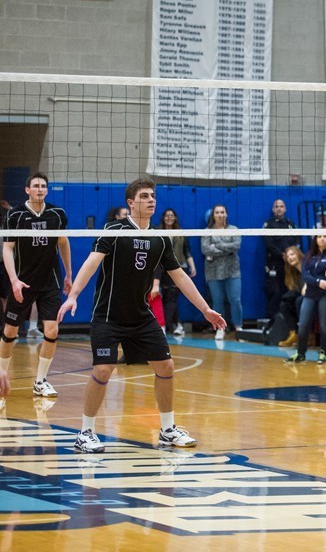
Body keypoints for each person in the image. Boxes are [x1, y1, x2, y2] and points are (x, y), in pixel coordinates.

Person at [57, 177, 226, 453]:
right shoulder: (113, 230)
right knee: (102, 369)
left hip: (141, 316)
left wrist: (205, 309)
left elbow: (180, 275)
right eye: (145, 196)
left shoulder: (160, 237)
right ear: (131, 202)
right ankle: (85, 432)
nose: (151, 201)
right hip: (108, 316)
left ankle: (167, 430)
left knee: (166, 367)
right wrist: (73, 295)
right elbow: (91, 263)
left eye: (153, 196)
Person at [1, 173, 72, 399]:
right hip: (22, 282)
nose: (40, 189)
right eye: (36, 186)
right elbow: (7, 249)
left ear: (47, 190)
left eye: (43, 186)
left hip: (50, 282)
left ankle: (40, 381)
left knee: (52, 331)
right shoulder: (15, 215)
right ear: (27, 190)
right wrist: (13, 280)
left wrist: (69, 274)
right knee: (10, 331)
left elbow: (63, 243)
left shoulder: (56, 214)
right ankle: (1, 376)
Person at [283, 235, 326, 363]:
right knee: (303, 324)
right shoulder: (309, 256)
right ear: (315, 239)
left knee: (324, 324)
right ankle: (300, 353)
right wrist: (318, 282)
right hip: (311, 294)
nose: (323, 239)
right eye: (320, 237)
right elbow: (305, 275)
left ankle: (322, 353)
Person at [201, 205, 242, 340]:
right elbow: (206, 250)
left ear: (226, 214)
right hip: (213, 272)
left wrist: (216, 246)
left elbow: (236, 246)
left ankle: (238, 328)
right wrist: (226, 250)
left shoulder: (233, 229)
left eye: (222, 212)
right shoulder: (207, 231)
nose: (220, 215)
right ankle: (220, 329)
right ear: (213, 215)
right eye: (217, 212)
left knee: (235, 300)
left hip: (232, 270)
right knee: (217, 302)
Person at [157, 208, 195, 337]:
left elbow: (187, 251)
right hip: (161, 269)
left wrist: (192, 266)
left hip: (179, 268)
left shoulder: (180, 233)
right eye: (166, 215)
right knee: (167, 297)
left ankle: (166, 326)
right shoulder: (157, 232)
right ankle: (177, 325)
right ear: (163, 217)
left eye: (171, 215)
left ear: (175, 218)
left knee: (172, 297)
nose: (169, 217)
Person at [263, 199, 295, 320]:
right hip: (274, 264)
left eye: (281, 206)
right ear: (273, 209)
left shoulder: (290, 223)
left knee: (289, 292)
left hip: (289, 264)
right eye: (277, 206)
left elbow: (296, 241)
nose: (279, 208)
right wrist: (282, 255)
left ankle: (288, 321)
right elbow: (269, 244)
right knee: (274, 293)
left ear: (285, 208)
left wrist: (290, 256)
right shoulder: (269, 224)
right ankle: (272, 320)